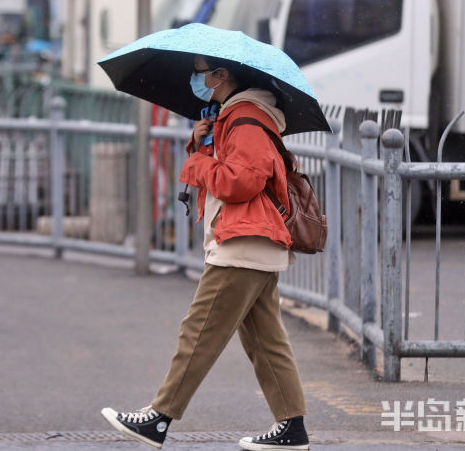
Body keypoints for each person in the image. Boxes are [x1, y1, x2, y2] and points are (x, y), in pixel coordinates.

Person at [101, 54, 309, 450]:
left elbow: (241, 183)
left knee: (198, 332)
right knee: (265, 341)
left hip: (244, 243)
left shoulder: (246, 118)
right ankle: (292, 429)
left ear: (221, 75)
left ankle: (158, 418)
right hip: (253, 243)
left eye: (200, 72)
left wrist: (196, 163)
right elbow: (232, 170)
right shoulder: (234, 117)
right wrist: (202, 142)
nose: (195, 79)